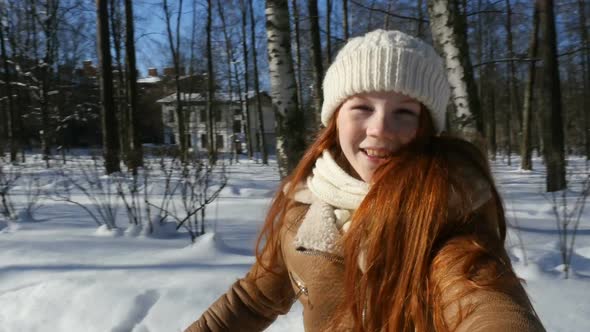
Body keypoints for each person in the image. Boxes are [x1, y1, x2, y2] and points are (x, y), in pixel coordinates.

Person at [184, 29, 545, 332]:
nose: (380, 129)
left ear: (426, 127)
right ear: (335, 117)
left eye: (404, 112)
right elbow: (254, 299)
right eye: (362, 107)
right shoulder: (305, 207)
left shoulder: (449, 209)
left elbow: (483, 298)